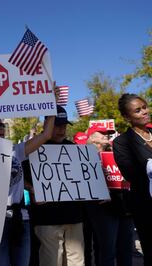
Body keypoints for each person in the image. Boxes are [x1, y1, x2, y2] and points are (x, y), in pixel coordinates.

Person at [0, 116, 55, 266]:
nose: (1, 129)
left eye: (2, 126)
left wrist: (51, 109)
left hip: (21, 218)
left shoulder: (15, 150)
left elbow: (46, 135)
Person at [26, 105, 85, 266]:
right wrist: (32, 189)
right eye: (57, 125)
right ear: (47, 124)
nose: (61, 130)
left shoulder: (72, 148)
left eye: (64, 126)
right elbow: (18, 175)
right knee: (52, 260)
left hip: (74, 216)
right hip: (47, 217)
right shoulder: (33, 147)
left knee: (77, 260)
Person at [85, 124, 133, 266]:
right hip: (102, 208)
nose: (107, 136)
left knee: (125, 249)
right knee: (107, 250)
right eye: (102, 134)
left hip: (123, 205)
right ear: (92, 138)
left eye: (108, 134)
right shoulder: (84, 155)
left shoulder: (117, 152)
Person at [113, 93, 152, 265]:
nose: (144, 112)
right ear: (126, 116)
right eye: (138, 110)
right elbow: (130, 173)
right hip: (146, 206)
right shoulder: (122, 142)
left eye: (145, 107)